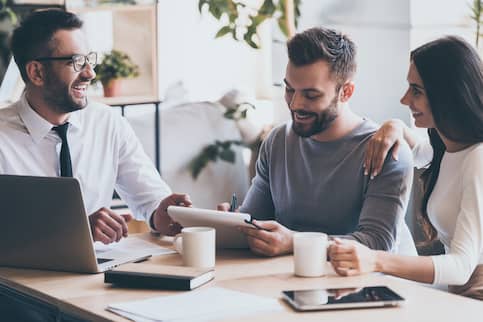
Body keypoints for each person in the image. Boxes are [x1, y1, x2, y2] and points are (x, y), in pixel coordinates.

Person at [219, 27, 416, 257]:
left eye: (311, 95)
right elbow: (256, 220)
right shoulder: (277, 141)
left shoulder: (386, 151)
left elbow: (377, 243)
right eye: (290, 90)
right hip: (295, 281)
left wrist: (295, 242)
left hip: (375, 287)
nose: (295, 104)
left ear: (346, 92)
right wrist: (231, 222)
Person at [0, 9, 189, 245]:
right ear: (36, 72)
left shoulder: (108, 123)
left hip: (98, 275)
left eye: (90, 59)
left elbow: (150, 198)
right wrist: (74, 232)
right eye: (77, 62)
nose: (90, 73)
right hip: (17, 278)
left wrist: (160, 214)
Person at [329, 36, 483, 300]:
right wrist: (394, 126)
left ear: (448, 95)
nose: (404, 99)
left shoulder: (478, 159)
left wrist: (376, 260)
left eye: (416, 91)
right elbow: (418, 152)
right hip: (458, 289)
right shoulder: (449, 146)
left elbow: (459, 267)